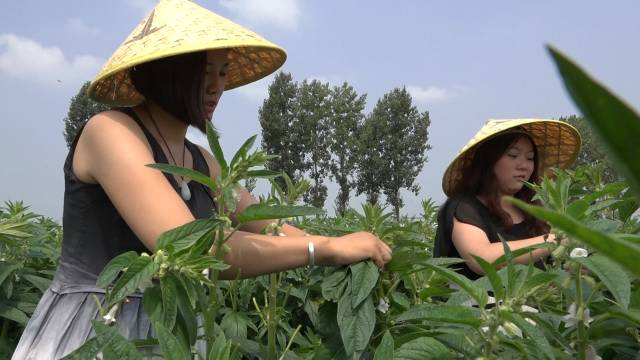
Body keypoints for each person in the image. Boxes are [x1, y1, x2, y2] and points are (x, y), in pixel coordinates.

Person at [12, 1, 392, 358]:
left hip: (172, 324)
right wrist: (322, 250)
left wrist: (345, 244)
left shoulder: (201, 161)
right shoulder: (111, 132)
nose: (216, 86)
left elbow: (270, 226)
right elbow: (194, 249)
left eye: (223, 72)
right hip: (97, 323)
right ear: (165, 71)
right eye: (203, 71)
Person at [434, 119, 581, 280]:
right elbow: (482, 259)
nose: (524, 165)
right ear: (489, 160)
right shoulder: (464, 207)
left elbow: (551, 270)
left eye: (530, 158)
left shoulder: (534, 212)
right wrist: (553, 240)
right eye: (513, 155)